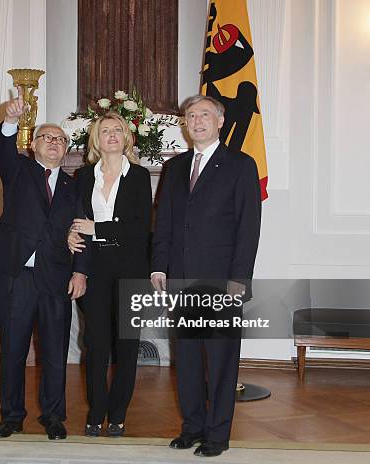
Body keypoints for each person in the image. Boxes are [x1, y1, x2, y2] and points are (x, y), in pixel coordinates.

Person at [151, 95, 261, 457]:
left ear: (219, 121)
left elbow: (248, 229)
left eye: (204, 115)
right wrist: (159, 264)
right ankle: (192, 427)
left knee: (220, 361)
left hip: (221, 280)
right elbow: (163, 222)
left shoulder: (241, 165)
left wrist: (239, 281)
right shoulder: (176, 167)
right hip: (180, 279)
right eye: (191, 115)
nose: (196, 120)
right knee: (187, 360)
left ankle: (217, 434)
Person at [0, 88, 88, 440]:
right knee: (12, 349)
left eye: (60, 139)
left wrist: (80, 270)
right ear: (34, 144)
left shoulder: (75, 188)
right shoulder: (19, 171)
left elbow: (82, 230)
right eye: (47, 137)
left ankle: (54, 416)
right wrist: (10, 120)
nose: (54, 143)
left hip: (56, 279)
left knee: (55, 352)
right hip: (16, 276)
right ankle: (11, 416)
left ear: (66, 148)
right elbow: (3, 151)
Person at [68, 113, 152, 437]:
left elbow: (138, 230)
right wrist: (72, 234)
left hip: (131, 270)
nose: (113, 135)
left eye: (118, 130)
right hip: (95, 271)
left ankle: (117, 413)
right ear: (96, 139)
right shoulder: (84, 176)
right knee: (96, 345)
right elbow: (76, 219)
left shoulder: (140, 177)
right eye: (106, 131)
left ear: (127, 138)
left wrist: (97, 229)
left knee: (127, 345)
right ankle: (96, 410)